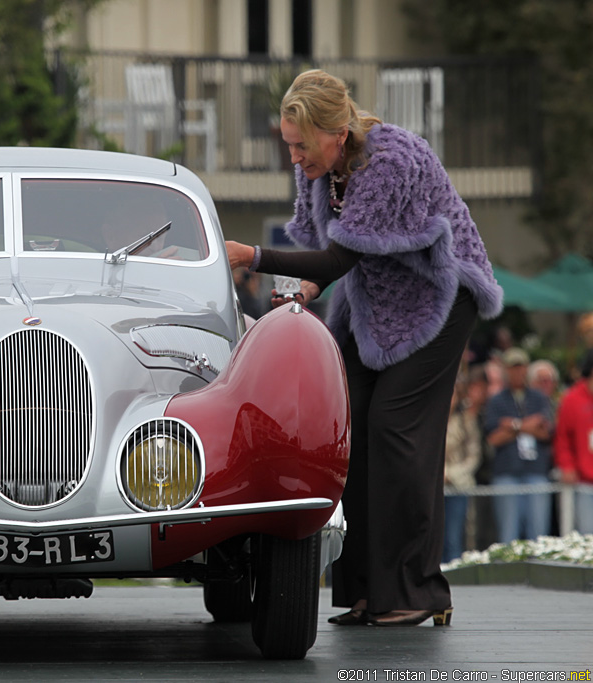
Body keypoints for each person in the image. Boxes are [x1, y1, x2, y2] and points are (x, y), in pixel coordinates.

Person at [225, 69, 503, 626]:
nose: (294, 157)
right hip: (377, 304)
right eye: (289, 144)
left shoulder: (389, 161)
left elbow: (337, 257)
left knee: (397, 432)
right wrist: (307, 288)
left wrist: (251, 255)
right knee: (350, 432)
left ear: (336, 133)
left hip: (442, 299)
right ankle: (368, 589)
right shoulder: (323, 171)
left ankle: (418, 591)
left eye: (302, 145)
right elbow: (336, 259)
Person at [484, 347, 554, 543]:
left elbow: (545, 432)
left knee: (539, 535)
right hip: (506, 472)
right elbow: (493, 438)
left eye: (521, 367)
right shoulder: (496, 400)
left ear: (526, 369)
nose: (517, 372)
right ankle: (509, 574)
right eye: (513, 368)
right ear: (506, 370)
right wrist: (528, 425)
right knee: (508, 534)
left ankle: (539, 573)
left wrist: (513, 425)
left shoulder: (539, 397)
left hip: (536, 470)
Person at [443, 374, 483, 563]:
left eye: (453, 395)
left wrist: (450, 474)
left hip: (458, 485)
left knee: (454, 536)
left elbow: (474, 456)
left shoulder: (467, 421)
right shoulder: (430, 421)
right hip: (434, 486)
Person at [553, 350, 593, 534]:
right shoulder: (572, 399)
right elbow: (562, 438)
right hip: (584, 483)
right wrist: (567, 466)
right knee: (587, 535)